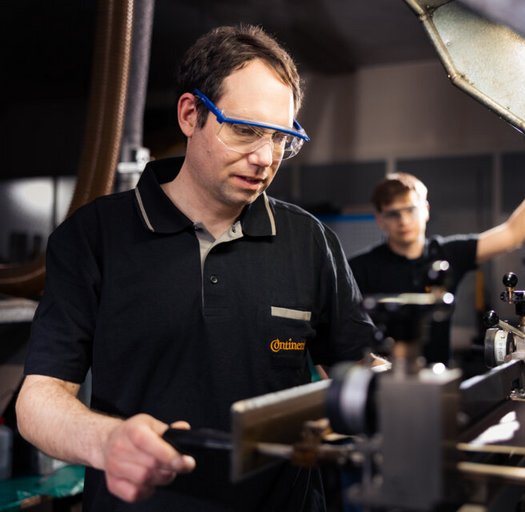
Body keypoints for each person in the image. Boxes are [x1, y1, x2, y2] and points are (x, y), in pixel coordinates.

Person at [15, 24, 375, 511]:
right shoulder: (94, 236)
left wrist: (397, 393)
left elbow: (362, 369)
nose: (264, 158)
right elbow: (38, 400)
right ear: (191, 115)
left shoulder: (310, 241)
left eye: (281, 137)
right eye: (245, 130)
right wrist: (108, 441)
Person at [349, 152, 525, 365]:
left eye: (410, 210)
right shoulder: (358, 269)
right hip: (382, 383)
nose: (403, 221)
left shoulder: (447, 254)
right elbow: (340, 332)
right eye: (393, 214)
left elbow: (513, 234)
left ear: (426, 210)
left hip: (440, 382)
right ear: (380, 220)